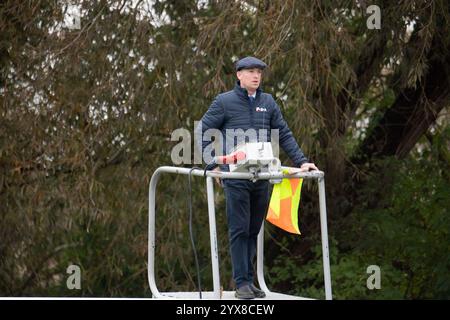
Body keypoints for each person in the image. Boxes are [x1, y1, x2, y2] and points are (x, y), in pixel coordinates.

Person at [196, 56, 318, 299]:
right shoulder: (224, 101)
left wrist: (302, 161)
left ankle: (248, 282)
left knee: (253, 229)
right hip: (237, 177)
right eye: (251, 71)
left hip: (261, 175)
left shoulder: (268, 102)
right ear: (239, 75)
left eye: (259, 72)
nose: (256, 76)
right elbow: (202, 131)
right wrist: (213, 164)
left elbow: (284, 133)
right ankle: (241, 282)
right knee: (239, 229)